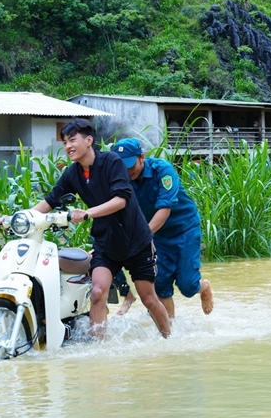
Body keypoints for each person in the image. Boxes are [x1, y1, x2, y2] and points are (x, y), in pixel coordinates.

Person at [31, 119, 171, 339]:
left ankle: (169, 341)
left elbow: (120, 200)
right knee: (97, 293)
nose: (68, 146)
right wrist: (21, 217)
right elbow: (49, 201)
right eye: (65, 142)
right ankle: (99, 349)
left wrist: (88, 213)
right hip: (106, 244)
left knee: (149, 298)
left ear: (89, 140)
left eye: (72, 140)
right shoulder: (73, 173)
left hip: (136, 241)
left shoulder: (111, 162)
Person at [113, 137, 214, 318]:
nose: (127, 171)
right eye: (122, 167)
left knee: (188, 286)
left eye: (130, 165)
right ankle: (170, 331)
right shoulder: (121, 180)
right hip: (156, 234)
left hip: (184, 228)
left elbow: (164, 209)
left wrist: (142, 238)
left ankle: (204, 287)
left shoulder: (163, 171)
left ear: (141, 157)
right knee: (160, 285)